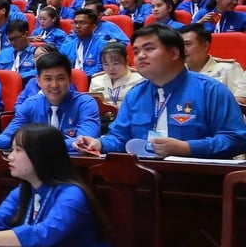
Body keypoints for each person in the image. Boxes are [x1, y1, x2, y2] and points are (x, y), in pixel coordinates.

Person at [75, 25, 246, 159]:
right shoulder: (135, 94)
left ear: (174, 53)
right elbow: (119, 137)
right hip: (144, 178)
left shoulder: (210, 90)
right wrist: (99, 144)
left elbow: (236, 139)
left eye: (149, 49)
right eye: (136, 51)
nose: (140, 56)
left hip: (197, 180)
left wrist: (187, 148)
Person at [0, 52, 99, 153]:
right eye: (48, 79)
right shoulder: (30, 104)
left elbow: (85, 140)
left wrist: (39, 145)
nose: (54, 85)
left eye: (60, 78)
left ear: (70, 79)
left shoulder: (85, 104)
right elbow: (10, 137)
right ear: (38, 81)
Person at [181, 24, 246, 104]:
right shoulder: (176, 72)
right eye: (180, 45)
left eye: (187, 44)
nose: (182, 49)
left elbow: (239, 103)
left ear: (205, 46)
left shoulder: (227, 69)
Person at [87, 42, 144, 107]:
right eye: (106, 64)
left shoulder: (139, 80)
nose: (111, 69)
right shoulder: (96, 80)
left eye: (116, 64)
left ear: (126, 61)